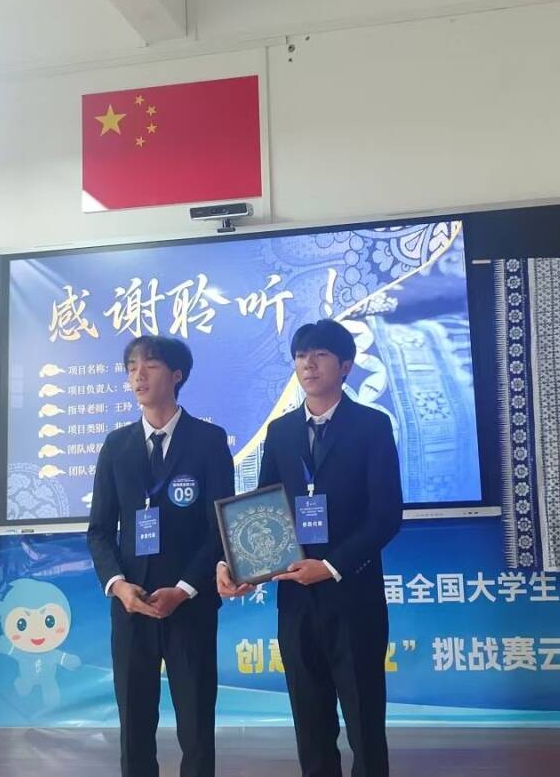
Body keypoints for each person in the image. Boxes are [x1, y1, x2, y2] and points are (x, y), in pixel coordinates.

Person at [218, 319, 402, 777]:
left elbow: (385, 515)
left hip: (353, 596)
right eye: (301, 356)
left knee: (364, 721)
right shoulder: (281, 432)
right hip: (296, 599)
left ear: (345, 366)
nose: (308, 365)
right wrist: (240, 565)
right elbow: (260, 510)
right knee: (310, 720)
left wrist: (332, 566)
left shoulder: (372, 426)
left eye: (320, 355)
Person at [88, 335, 235, 777]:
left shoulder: (208, 440)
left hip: (189, 604)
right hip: (132, 607)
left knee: (196, 724)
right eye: (132, 367)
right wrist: (118, 586)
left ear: (176, 375)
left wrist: (186, 589)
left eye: (149, 365)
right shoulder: (117, 445)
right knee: (134, 726)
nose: (138, 375)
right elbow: (99, 531)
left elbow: (219, 527)